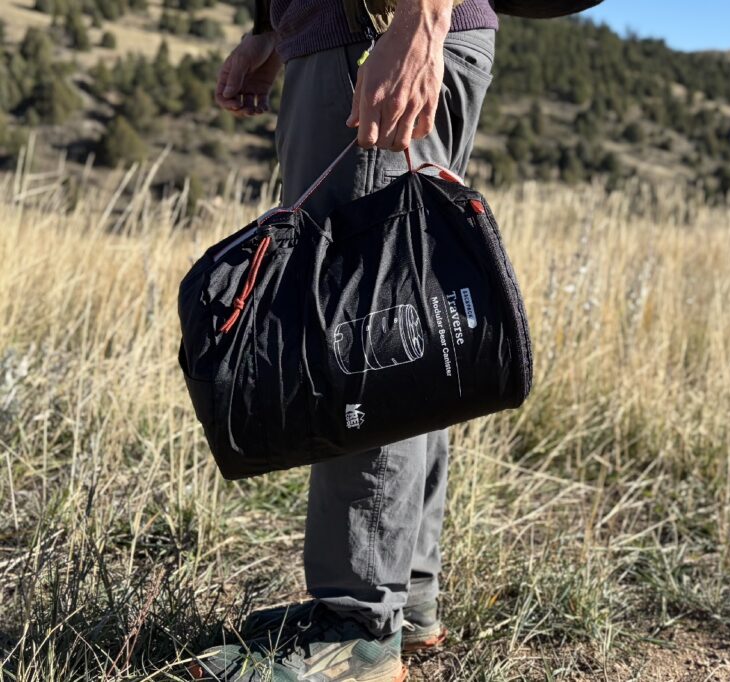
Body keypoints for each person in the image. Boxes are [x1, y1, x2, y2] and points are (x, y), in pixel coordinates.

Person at [190, 1, 498, 680]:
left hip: (376, 28)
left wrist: (418, 21)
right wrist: (270, 28)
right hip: (359, 31)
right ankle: (404, 601)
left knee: (362, 342)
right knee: (405, 326)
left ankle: (357, 626)